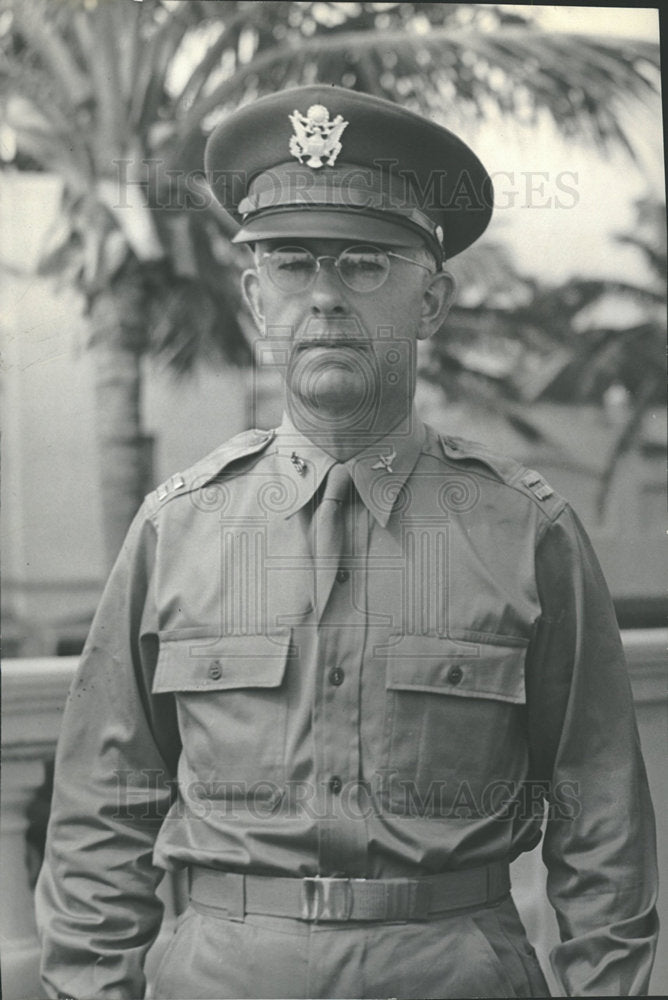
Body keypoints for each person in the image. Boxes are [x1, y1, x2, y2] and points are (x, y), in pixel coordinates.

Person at [36, 85, 658, 1000]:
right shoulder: (178, 531)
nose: (323, 298)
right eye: (290, 264)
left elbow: (600, 821)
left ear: (432, 301)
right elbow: (102, 811)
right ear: (255, 296)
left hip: (453, 970)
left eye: (365, 265)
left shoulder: (526, 534)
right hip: (219, 973)